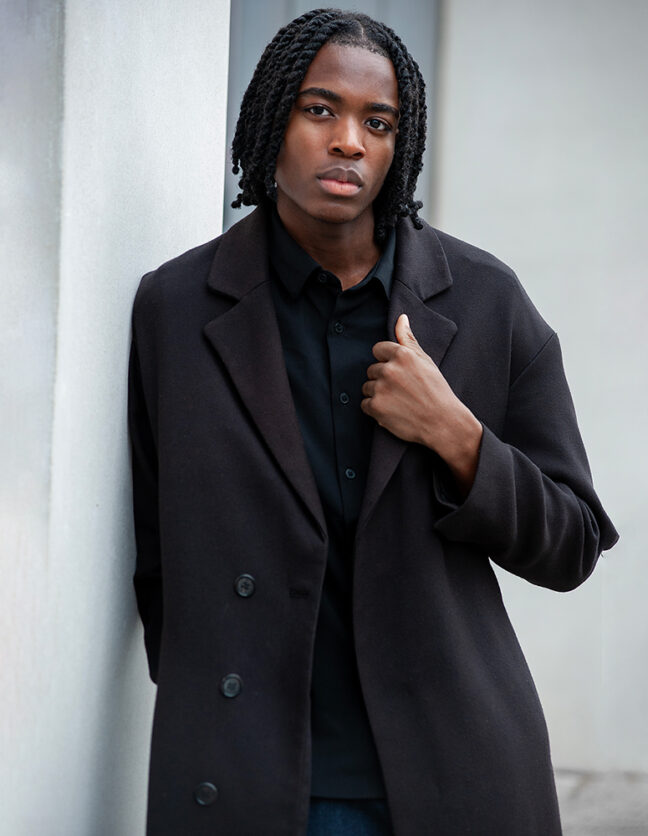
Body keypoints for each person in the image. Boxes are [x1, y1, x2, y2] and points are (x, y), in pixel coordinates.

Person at [128, 8, 618, 835]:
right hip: (248, 777)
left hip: (453, 776)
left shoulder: (485, 301)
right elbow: (159, 561)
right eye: (320, 109)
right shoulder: (176, 306)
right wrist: (215, 706)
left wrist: (457, 435)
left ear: (400, 145)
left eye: (377, 122)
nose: (348, 141)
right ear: (271, 120)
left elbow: (573, 544)